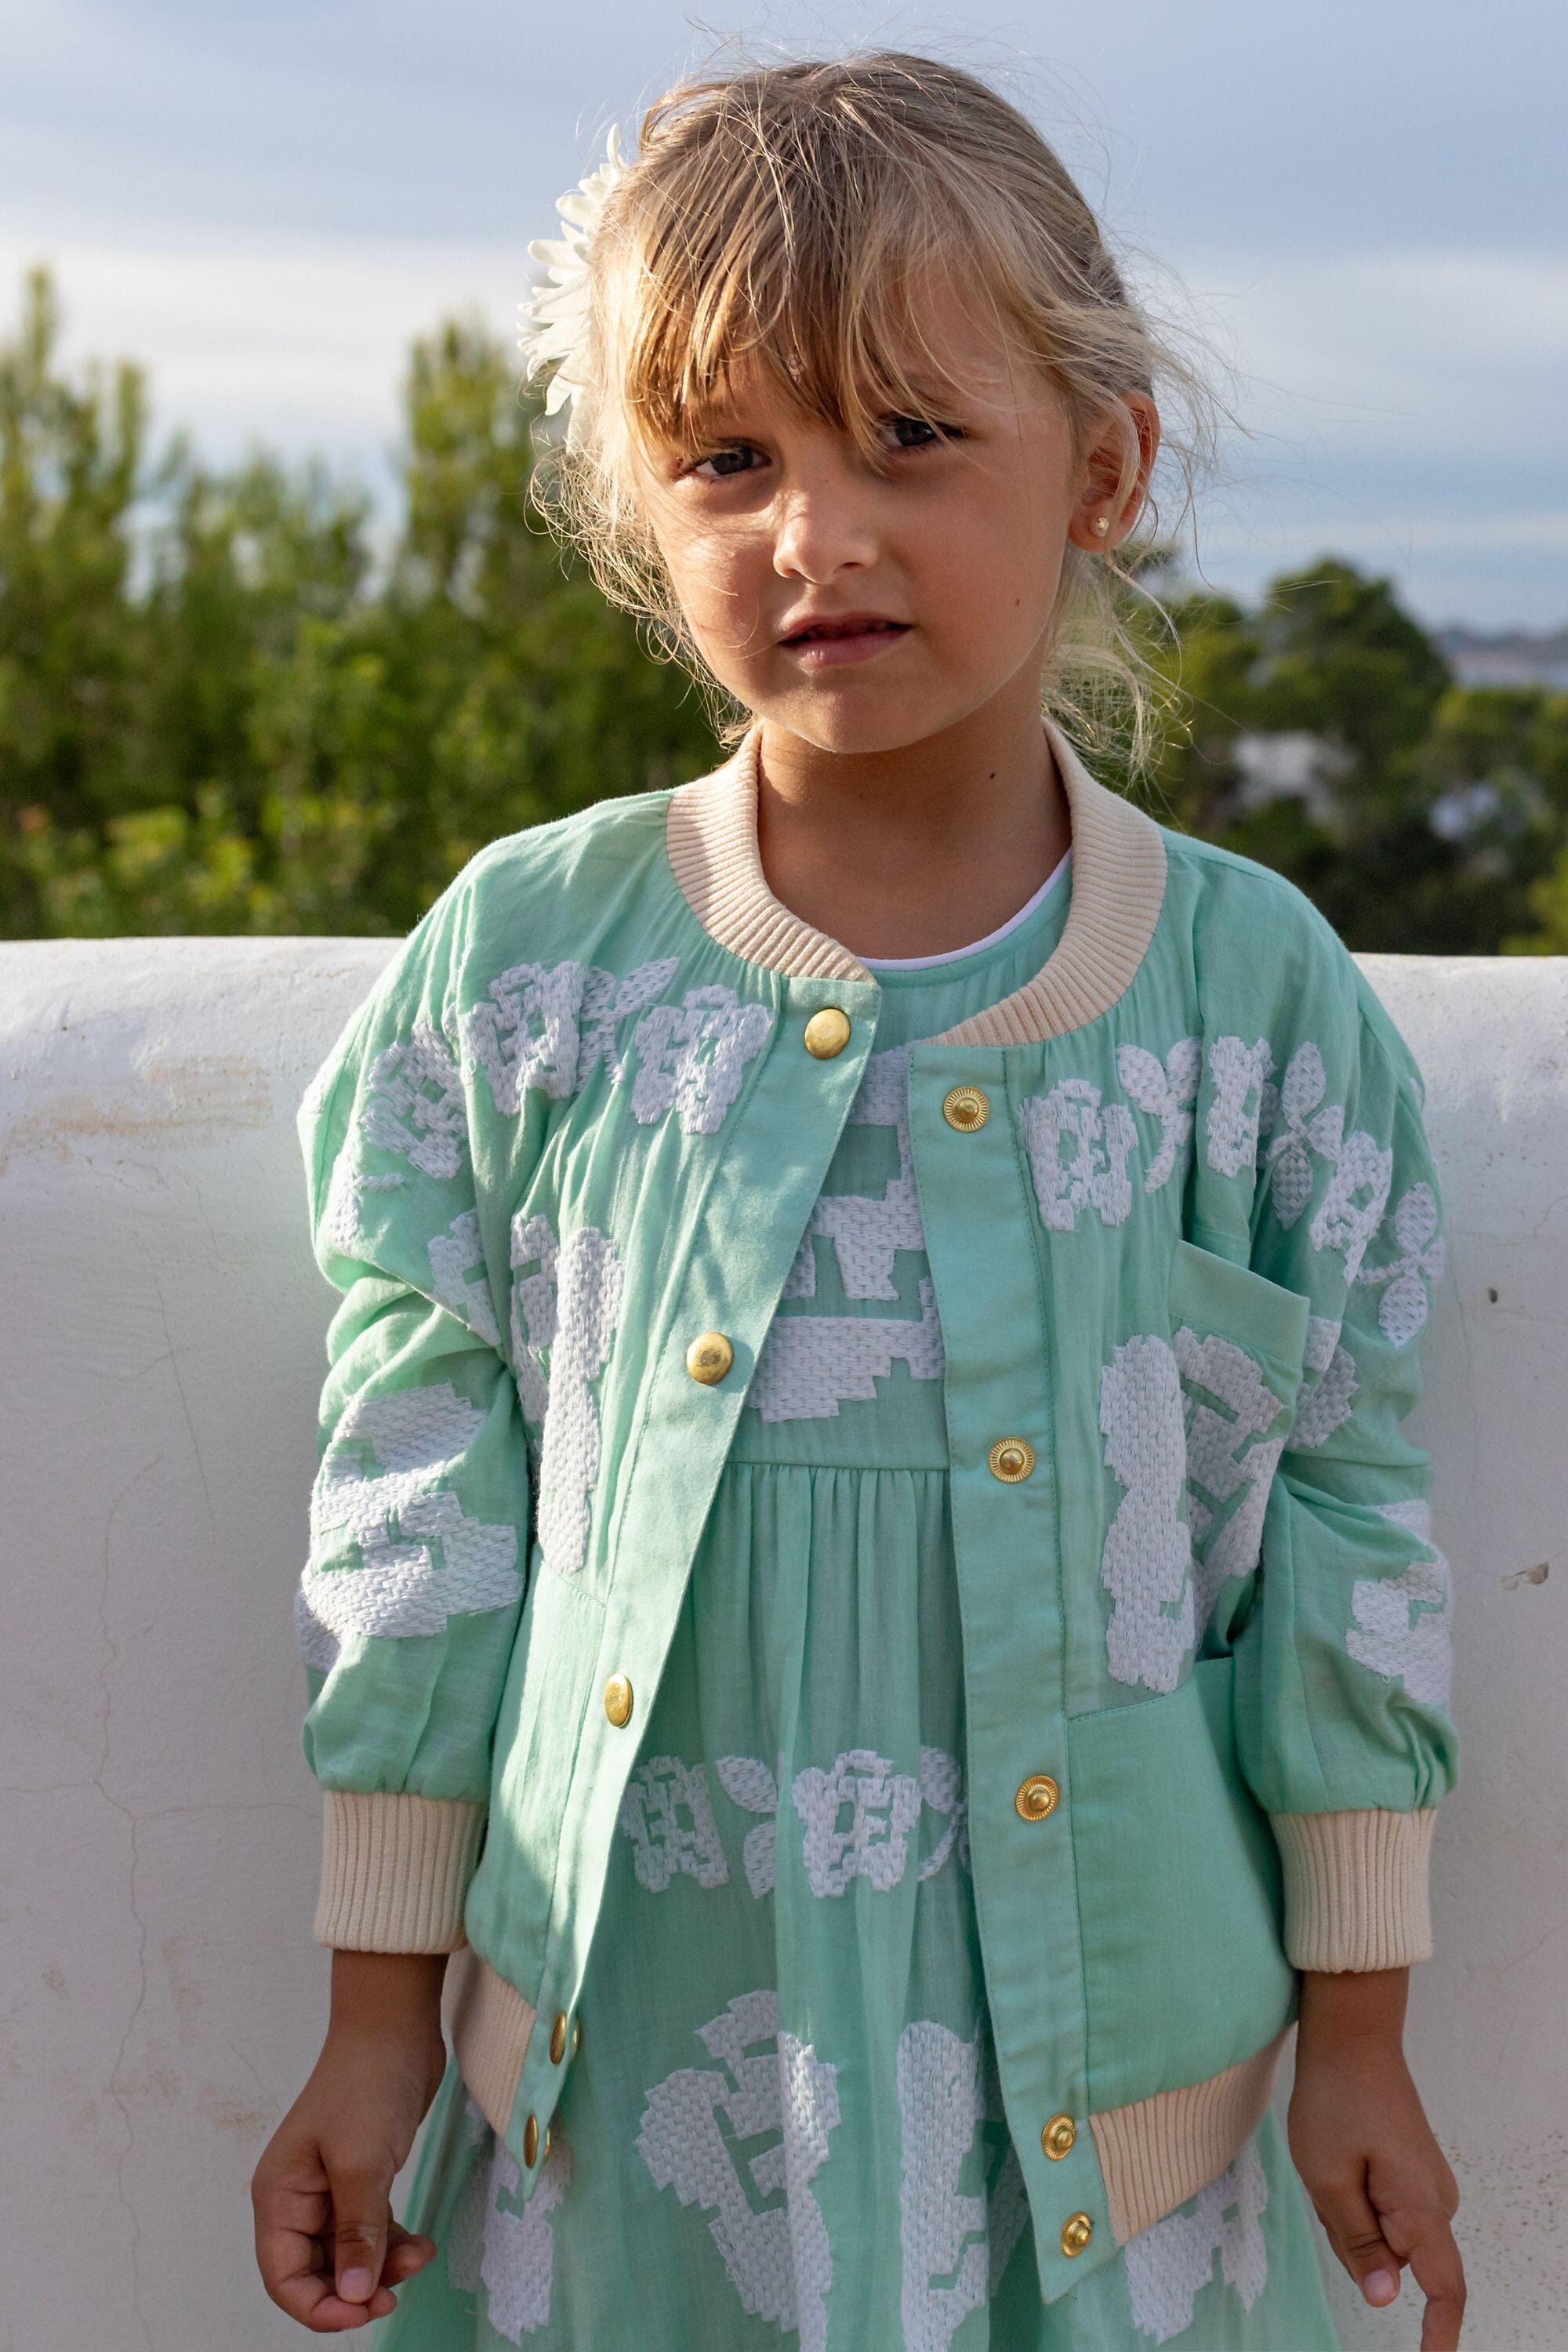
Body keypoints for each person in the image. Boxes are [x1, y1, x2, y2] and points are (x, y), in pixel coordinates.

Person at [251, 52, 1465, 2350]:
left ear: (1102, 467)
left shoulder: (1255, 1007)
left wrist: (1366, 2036)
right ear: (636, 511)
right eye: (728, 459)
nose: (817, 533)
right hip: (621, 2107)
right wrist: (376, 2022)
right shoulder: (529, 975)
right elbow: (417, 1501)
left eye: (910, 434)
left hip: (1114, 2137)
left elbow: (1348, 1518)